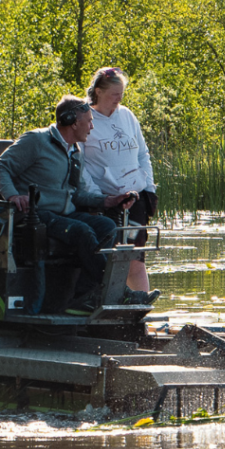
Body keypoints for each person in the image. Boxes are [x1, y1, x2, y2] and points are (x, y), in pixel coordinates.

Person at [0, 95, 136, 315]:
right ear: (73, 122)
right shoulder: (36, 141)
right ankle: (118, 292)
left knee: (107, 226)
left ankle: (82, 296)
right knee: (82, 231)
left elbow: (76, 194)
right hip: (36, 215)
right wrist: (12, 196)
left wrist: (107, 201)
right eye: (89, 121)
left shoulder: (75, 152)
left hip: (62, 216)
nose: (92, 126)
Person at [81, 66, 160, 304]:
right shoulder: (85, 118)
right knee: (110, 259)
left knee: (135, 256)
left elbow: (142, 153)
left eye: (122, 93)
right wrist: (97, 197)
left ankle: (140, 309)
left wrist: (148, 186)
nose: (119, 98)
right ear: (98, 92)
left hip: (135, 198)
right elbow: (80, 164)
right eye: (115, 93)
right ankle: (110, 307)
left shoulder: (127, 115)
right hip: (106, 202)